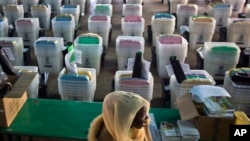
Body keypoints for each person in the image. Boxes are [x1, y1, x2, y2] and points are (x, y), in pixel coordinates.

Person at [88, 91, 152, 141]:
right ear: (127, 117)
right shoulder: (107, 138)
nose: (147, 117)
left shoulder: (131, 126)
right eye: (142, 115)